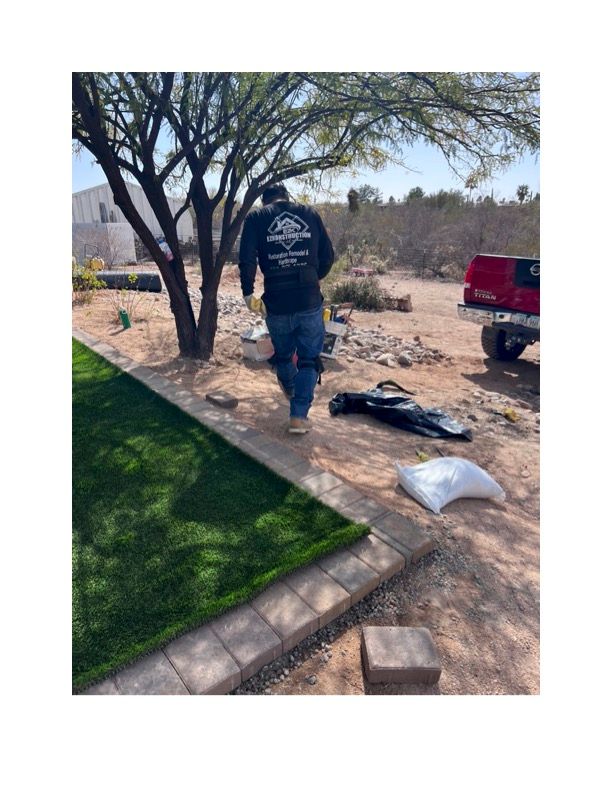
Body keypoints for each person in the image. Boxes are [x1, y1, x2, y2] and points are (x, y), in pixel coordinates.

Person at [239, 183, 335, 434]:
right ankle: (299, 415)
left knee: (283, 355)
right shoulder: (309, 214)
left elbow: (247, 259)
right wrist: (312, 278)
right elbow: (328, 257)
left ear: (265, 201)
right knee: (308, 359)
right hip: (308, 299)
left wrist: (248, 293)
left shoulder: (256, 218)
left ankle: (293, 390)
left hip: (276, 301)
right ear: (286, 198)